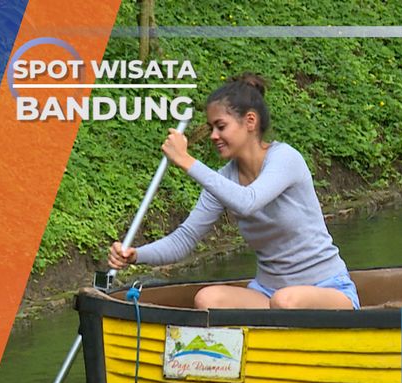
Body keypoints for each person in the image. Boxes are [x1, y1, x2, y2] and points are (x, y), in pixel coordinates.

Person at [108, 73, 359, 310]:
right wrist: (136, 255)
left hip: (325, 289)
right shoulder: (224, 179)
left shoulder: (285, 159)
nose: (214, 136)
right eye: (211, 128)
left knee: (286, 301)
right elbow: (184, 239)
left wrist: (186, 160)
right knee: (208, 299)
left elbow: (248, 201)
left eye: (221, 126)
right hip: (268, 293)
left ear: (250, 121)